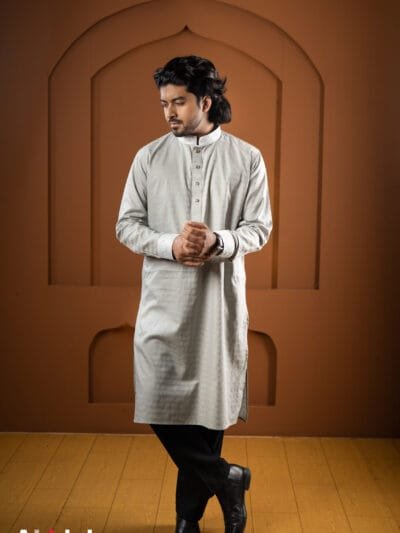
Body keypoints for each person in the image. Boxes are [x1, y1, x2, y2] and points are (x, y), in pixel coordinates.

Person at [116, 55, 273, 533]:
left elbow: (260, 228)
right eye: (164, 103)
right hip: (162, 301)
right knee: (156, 397)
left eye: (179, 102)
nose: (169, 111)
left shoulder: (247, 158)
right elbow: (126, 225)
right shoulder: (148, 157)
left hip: (218, 303)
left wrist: (217, 242)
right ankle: (228, 479)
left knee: (210, 413)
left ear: (206, 101)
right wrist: (172, 244)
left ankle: (189, 519)